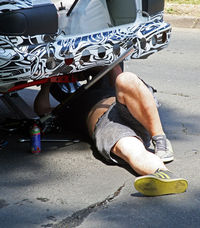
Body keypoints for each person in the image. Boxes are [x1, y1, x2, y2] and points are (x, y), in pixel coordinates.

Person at [34, 64, 188, 196]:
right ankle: (163, 174)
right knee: (133, 152)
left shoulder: (106, 84)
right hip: (106, 124)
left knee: (125, 79)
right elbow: (42, 109)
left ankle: (160, 139)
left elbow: (115, 69)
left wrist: (101, 62)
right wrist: (47, 83)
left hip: (130, 108)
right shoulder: (66, 106)